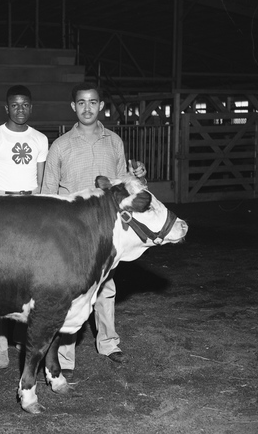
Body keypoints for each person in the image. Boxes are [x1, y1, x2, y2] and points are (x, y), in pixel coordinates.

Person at [41, 82, 147, 377]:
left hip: (103, 228)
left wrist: (138, 175)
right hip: (71, 231)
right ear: (73, 107)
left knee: (106, 287)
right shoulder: (60, 145)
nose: (87, 108)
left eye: (93, 102)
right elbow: (48, 192)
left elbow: (122, 184)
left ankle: (109, 342)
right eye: (81, 103)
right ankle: (64, 356)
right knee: (70, 293)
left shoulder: (114, 142)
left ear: (101, 106)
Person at [0, 85, 48, 368]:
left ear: (31, 107)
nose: (20, 109)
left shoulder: (41, 139)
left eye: (25, 104)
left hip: (31, 208)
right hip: (1, 208)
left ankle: (23, 337)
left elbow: (43, 184)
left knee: (30, 279)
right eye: (14, 105)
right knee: (0, 280)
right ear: (6, 107)